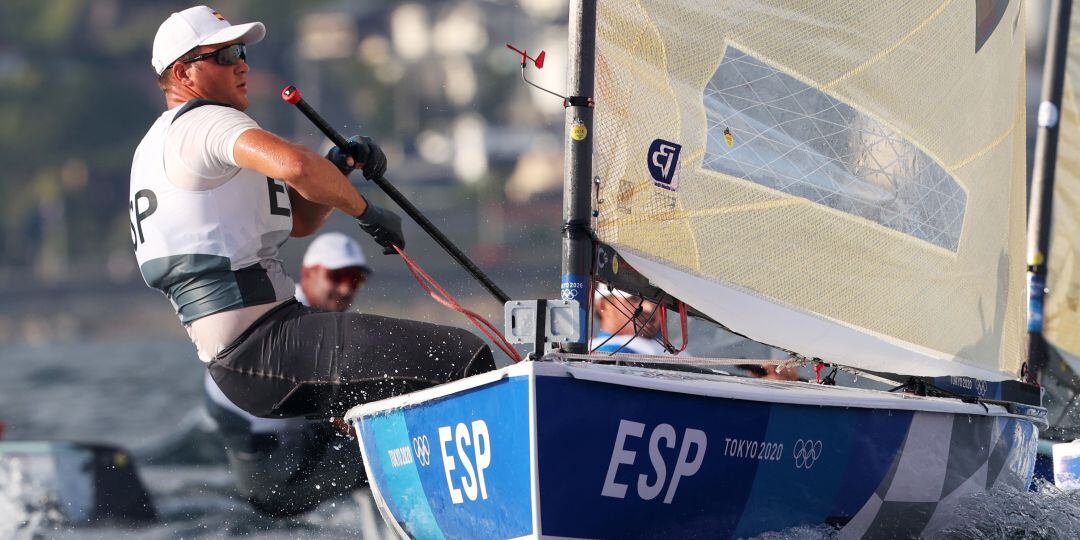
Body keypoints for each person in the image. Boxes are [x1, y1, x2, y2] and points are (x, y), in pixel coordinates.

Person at [129, 6, 495, 421]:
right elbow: (298, 166)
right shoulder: (206, 121)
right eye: (227, 56)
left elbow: (300, 220)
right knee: (466, 357)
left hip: (251, 359)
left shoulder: (159, 143)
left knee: (414, 383)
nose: (242, 65)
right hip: (266, 346)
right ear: (183, 74)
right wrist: (368, 212)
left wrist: (337, 167)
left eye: (243, 54)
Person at [203, 233, 388, 522]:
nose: (346, 288)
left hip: (290, 452)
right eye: (337, 276)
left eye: (355, 279)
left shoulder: (314, 323)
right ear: (308, 274)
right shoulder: (293, 324)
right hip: (273, 481)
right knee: (388, 456)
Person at [590, 285, 668, 355]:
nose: (649, 308)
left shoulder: (671, 349)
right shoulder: (602, 353)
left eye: (655, 301)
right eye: (635, 299)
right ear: (603, 306)